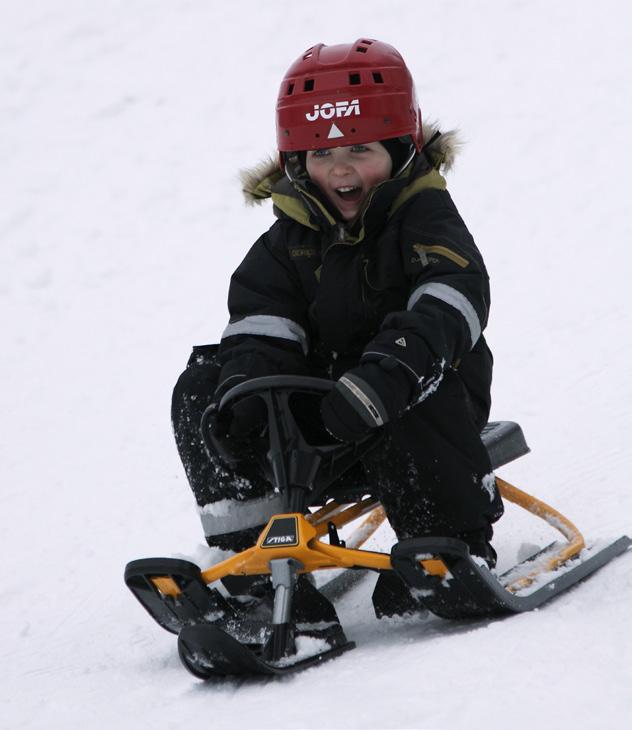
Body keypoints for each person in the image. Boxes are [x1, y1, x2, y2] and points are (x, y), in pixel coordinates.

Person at [172, 39, 504, 573]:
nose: (340, 170)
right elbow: (263, 326)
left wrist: (392, 370)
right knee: (202, 389)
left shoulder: (424, 217)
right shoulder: (287, 241)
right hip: (320, 421)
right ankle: (253, 562)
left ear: (401, 149)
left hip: (417, 402)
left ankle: (448, 544)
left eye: (360, 150)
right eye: (322, 154)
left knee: (410, 385)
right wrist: (247, 396)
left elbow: (453, 294)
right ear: (297, 164)